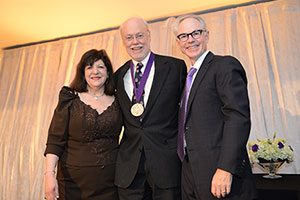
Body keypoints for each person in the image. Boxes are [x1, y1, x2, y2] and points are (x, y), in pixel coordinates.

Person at [173, 14, 257, 200]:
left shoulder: (224, 65)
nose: (190, 40)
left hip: (219, 173)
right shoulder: (188, 78)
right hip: (190, 172)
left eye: (196, 33)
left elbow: (237, 117)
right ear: (178, 42)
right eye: (183, 36)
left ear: (207, 35)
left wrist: (226, 168)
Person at [114, 17, 187, 200]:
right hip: (129, 171)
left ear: (149, 35)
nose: (135, 42)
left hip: (167, 166)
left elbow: (188, 113)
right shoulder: (117, 76)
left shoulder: (175, 67)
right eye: (129, 37)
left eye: (139, 35)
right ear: (123, 41)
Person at [44, 49, 122, 200]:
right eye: (89, 67)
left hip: (111, 184)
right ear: (83, 73)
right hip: (72, 185)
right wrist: (49, 175)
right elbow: (55, 140)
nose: (95, 71)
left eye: (100, 67)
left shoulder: (120, 99)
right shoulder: (70, 99)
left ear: (108, 72)